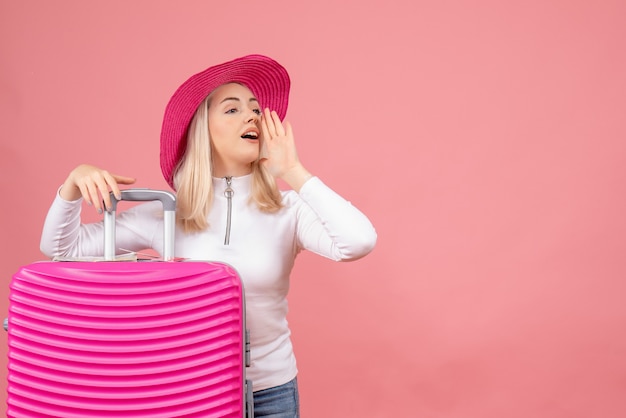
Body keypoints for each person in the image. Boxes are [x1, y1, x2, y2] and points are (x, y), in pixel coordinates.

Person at [40, 54, 377, 417]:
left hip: (270, 394)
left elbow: (357, 242)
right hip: (189, 390)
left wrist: (293, 171)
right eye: (232, 110)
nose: (252, 116)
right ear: (201, 129)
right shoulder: (166, 212)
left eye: (254, 109)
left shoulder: (288, 209)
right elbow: (61, 248)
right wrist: (73, 183)